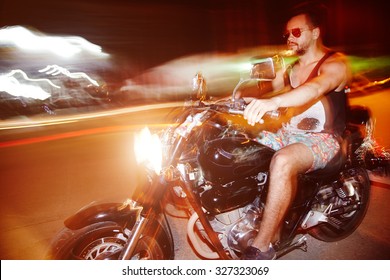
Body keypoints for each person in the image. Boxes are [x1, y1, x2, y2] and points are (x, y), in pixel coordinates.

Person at [240, 1, 351, 260]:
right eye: (286, 34)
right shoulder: (289, 68)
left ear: (315, 32)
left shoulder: (335, 63)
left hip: (323, 138)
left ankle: (263, 246)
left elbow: (315, 88)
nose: (289, 38)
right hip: (289, 133)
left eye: (296, 32)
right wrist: (229, 101)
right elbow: (267, 90)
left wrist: (275, 102)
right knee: (240, 144)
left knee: (283, 160)